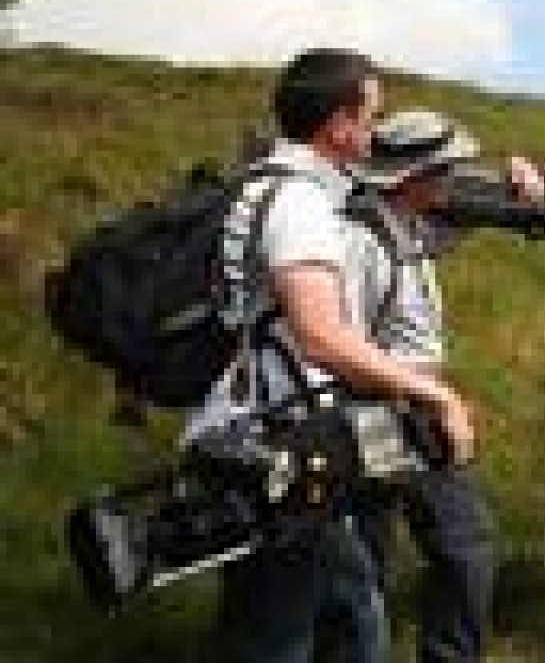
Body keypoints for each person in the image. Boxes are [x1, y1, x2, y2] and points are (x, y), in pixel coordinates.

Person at [189, 49, 482, 663]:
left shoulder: (257, 186)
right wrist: (435, 392)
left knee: (351, 613)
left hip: (257, 435)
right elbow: (322, 334)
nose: (377, 132)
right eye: (373, 116)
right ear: (340, 124)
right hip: (274, 447)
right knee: (285, 635)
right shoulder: (298, 204)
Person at [335, 109, 545, 663]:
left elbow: (471, 222)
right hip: (372, 414)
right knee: (371, 563)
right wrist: (425, 395)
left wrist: (521, 191)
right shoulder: (360, 240)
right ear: (415, 176)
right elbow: (338, 345)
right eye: (446, 168)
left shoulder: (408, 228)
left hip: (411, 411)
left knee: (463, 549)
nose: (455, 179)